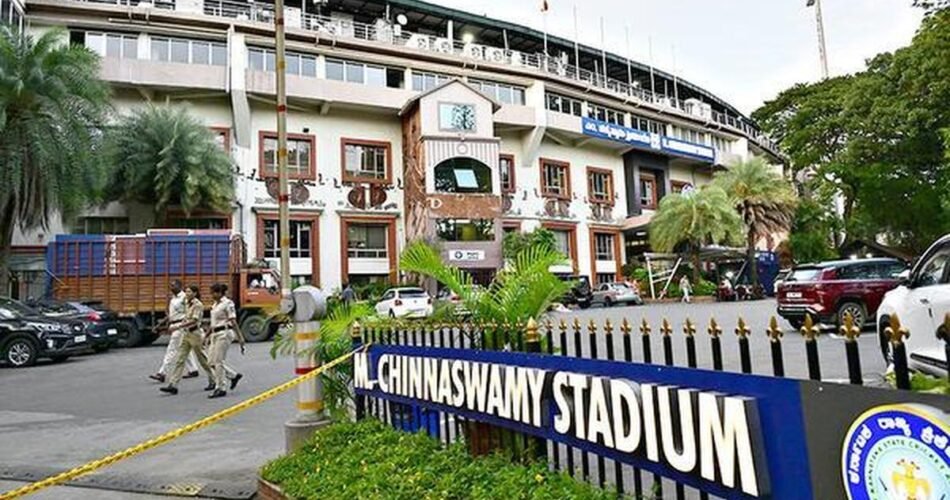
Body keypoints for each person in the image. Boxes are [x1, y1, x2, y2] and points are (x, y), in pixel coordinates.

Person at [160, 285, 215, 395]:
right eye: (186, 292)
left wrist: (178, 326)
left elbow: (194, 320)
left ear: (195, 293)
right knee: (180, 359)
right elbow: (184, 316)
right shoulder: (186, 302)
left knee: (203, 360)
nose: (187, 294)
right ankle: (173, 385)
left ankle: (213, 379)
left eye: (189, 292)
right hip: (186, 333)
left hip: (195, 334)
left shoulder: (198, 305)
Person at [150, 280, 198, 383]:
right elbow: (171, 315)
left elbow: (189, 311)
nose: (171, 287)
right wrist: (162, 325)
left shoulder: (184, 297)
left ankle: (162, 373)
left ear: (179, 286)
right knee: (184, 348)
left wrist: (184, 323)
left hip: (180, 326)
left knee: (171, 349)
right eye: (170, 286)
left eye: (173, 285)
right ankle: (193, 370)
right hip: (174, 324)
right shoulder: (173, 299)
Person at [206, 283, 247, 399]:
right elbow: (213, 323)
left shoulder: (228, 304)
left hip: (224, 333)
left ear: (220, 293)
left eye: (214, 293)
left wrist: (240, 337)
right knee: (210, 362)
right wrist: (206, 335)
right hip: (215, 333)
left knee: (218, 361)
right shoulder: (215, 305)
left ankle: (220, 388)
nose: (212, 295)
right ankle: (233, 376)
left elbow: (233, 321)